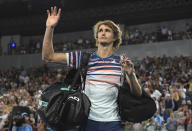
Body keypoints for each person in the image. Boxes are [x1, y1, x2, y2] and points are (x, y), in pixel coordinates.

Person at [42, 6, 142, 131]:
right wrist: (49, 28)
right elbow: (48, 57)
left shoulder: (121, 62)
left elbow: (137, 93)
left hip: (113, 123)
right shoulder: (83, 58)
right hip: (87, 122)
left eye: (107, 30)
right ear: (97, 36)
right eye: (100, 30)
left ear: (115, 37)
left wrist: (131, 74)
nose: (103, 32)